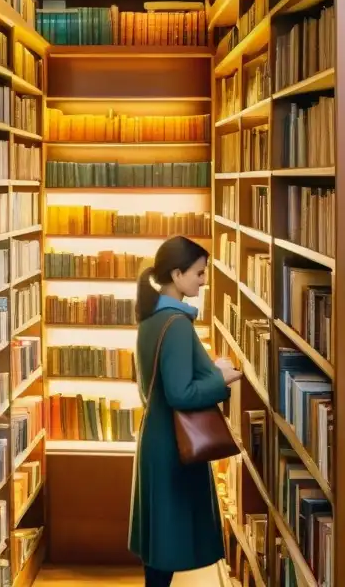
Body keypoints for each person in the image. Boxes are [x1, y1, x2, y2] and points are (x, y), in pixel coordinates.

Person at [128, 236, 243, 587]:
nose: (204, 280)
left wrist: (207, 370)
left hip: (157, 440)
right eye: (199, 273)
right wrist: (220, 379)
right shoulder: (176, 325)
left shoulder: (151, 320)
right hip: (174, 449)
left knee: (159, 549)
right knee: (167, 545)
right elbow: (180, 393)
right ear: (177, 275)